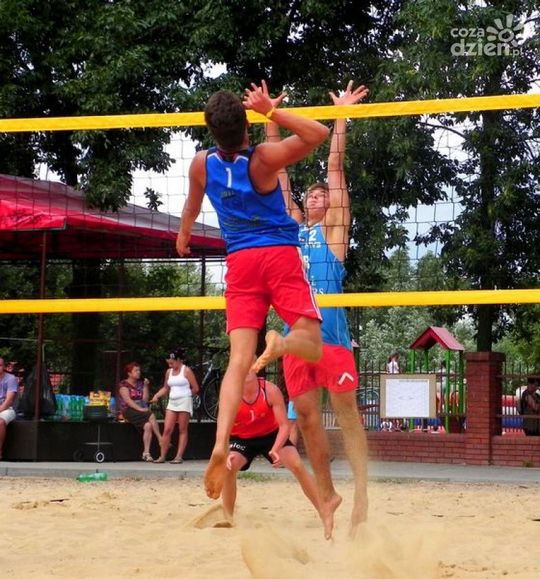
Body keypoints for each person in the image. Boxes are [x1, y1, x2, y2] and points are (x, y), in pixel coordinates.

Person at [176, 81, 329, 500]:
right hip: (278, 255)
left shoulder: (201, 164)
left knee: (238, 361)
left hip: (240, 262)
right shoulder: (263, 160)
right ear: (246, 126)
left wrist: (184, 235)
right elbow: (318, 133)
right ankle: (282, 344)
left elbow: (190, 207)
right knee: (312, 343)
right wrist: (271, 111)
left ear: (212, 131)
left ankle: (220, 441)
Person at [268, 81, 369, 539]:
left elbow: (335, 167)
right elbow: (279, 174)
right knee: (307, 419)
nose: (317, 198)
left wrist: (341, 117)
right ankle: (327, 497)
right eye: (311, 196)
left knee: (347, 416)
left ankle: (362, 492)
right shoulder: (291, 232)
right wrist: (272, 118)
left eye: (323, 196)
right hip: (296, 338)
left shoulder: (334, 233)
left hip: (331, 338)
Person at [222, 365, 319, 522]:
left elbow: (285, 426)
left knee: (296, 464)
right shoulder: (230, 393)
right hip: (242, 438)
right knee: (229, 467)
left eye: (249, 365)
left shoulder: (270, 390)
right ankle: (227, 518)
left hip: (271, 435)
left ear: (256, 367)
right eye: (242, 365)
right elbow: (222, 428)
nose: (245, 369)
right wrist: (225, 451)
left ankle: (324, 510)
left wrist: (276, 448)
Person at [150, 349, 200, 463]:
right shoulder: (169, 372)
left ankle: (178, 456)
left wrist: (186, 395)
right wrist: (157, 395)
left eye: (172, 363)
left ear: (178, 360)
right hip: (172, 401)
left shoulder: (186, 370)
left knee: (182, 429)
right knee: (167, 429)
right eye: (168, 363)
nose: (170, 365)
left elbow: (196, 388)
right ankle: (162, 456)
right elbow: (166, 388)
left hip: (184, 401)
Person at [116, 362, 162, 462]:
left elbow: (145, 400)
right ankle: (160, 439)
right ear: (129, 373)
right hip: (128, 410)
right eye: (136, 370)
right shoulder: (123, 385)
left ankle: (146, 453)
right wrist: (140, 409)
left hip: (140, 411)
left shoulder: (140, 384)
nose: (138, 372)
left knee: (148, 426)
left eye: (139, 370)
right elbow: (128, 401)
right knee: (150, 414)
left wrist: (145, 386)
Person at [0, 357, 18, 460]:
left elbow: (9, 401)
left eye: (0, 365)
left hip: (7, 409)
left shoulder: (11, 378)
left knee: (0, 422)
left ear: (4, 367)